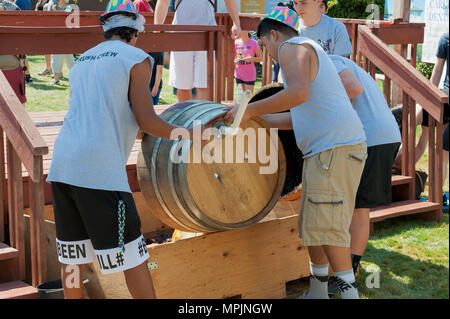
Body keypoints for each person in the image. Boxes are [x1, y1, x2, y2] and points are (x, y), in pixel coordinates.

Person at [46, 0, 200, 299]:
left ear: (107, 29)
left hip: (62, 164)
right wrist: (189, 133)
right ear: (136, 31)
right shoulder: (136, 58)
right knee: (134, 256)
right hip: (99, 171)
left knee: (72, 257)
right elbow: (146, 119)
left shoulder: (83, 61)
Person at [224, 7, 367, 299]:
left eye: (263, 45)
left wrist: (248, 109)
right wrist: (254, 121)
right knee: (313, 225)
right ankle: (317, 292)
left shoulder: (292, 48)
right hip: (328, 149)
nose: (266, 52)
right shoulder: (305, 50)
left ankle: (349, 295)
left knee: (328, 228)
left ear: (274, 34)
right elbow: (298, 115)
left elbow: (297, 94)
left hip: (334, 149)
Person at [327, 55, 401, 296]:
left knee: (357, 209)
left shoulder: (330, 62)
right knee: (356, 208)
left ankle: (347, 274)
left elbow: (351, 88)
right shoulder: (344, 63)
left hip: (371, 138)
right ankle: (346, 271)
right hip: (382, 135)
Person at [154, 0, 242, 102]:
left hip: (207, 33)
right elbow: (163, 2)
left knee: (204, 84)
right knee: (182, 84)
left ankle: (201, 116)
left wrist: (236, 23)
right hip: (181, 32)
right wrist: (157, 29)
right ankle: (186, 116)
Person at [415, 32, 449, 188]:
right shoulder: (446, 38)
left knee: (442, 150)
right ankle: (396, 165)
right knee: (410, 121)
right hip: (445, 98)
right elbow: (438, 68)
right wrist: (429, 95)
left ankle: (436, 199)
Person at [0, 2, 26, 105]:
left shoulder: (12, 7)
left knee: (17, 103)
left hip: (11, 65)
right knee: (17, 104)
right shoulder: (12, 7)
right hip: (11, 64)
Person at [49, 0, 75, 85]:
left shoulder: (68, 8)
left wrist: (55, 12)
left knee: (56, 58)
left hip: (63, 39)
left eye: (59, 1)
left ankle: (56, 80)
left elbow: (64, 19)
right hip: (65, 39)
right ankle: (75, 79)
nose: (57, 2)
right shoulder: (68, 8)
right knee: (69, 59)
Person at [234, 31, 263, 95]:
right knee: (240, 98)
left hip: (249, 74)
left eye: (242, 29)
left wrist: (251, 59)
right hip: (238, 74)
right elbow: (232, 59)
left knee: (248, 98)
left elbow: (261, 58)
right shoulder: (235, 43)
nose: (240, 31)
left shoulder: (253, 43)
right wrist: (235, 62)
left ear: (247, 30)